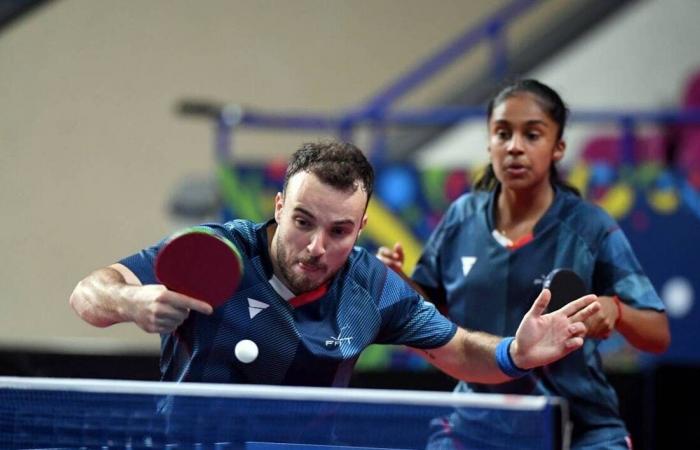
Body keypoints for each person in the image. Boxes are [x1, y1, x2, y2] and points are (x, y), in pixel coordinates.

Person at [70, 140, 598, 389]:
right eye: (303, 221)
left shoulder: (371, 288)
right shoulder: (220, 252)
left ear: (360, 229)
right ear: (278, 207)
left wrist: (515, 352)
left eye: (339, 231)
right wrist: (130, 299)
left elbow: (456, 350)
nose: (316, 246)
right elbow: (88, 294)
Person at [377, 80, 670, 449]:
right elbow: (430, 313)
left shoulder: (589, 227)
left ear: (558, 148)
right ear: (489, 143)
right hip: (475, 426)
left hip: (577, 428)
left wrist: (618, 310)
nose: (514, 146)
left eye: (532, 135)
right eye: (502, 134)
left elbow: (658, 334)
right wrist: (399, 281)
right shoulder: (461, 217)